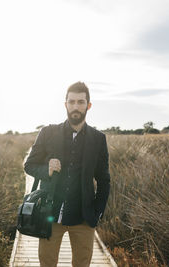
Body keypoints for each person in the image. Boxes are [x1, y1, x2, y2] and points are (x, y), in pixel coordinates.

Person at [24, 81, 111, 267]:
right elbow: (29, 165)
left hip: (84, 218)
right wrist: (45, 169)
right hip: (50, 215)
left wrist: (97, 212)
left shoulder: (98, 139)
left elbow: (104, 179)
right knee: (47, 264)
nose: (75, 106)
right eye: (71, 102)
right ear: (65, 105)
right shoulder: (47, 132)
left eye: (80, 102)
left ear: (88, 105)